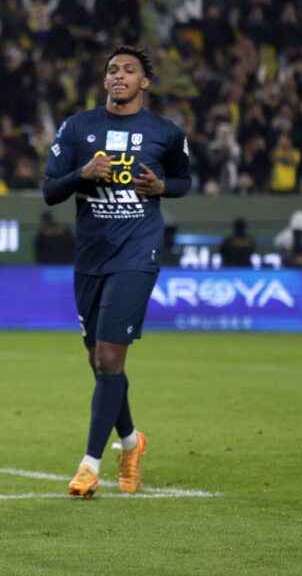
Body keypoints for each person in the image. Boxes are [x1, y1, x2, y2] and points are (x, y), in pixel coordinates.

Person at [43, 45, 191, 498]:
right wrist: (81, 175)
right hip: (90, 258)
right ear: (104, 80)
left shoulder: (164, 133)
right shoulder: (78, 127)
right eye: (112, 70)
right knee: (99, 361)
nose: (118, 76)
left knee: (109, 359)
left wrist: (163, 186)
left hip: (137, 255)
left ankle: (89, 466)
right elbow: (50, 191)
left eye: (129, 70)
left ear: (145, 82)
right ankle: (131, 442)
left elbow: (184, 181)